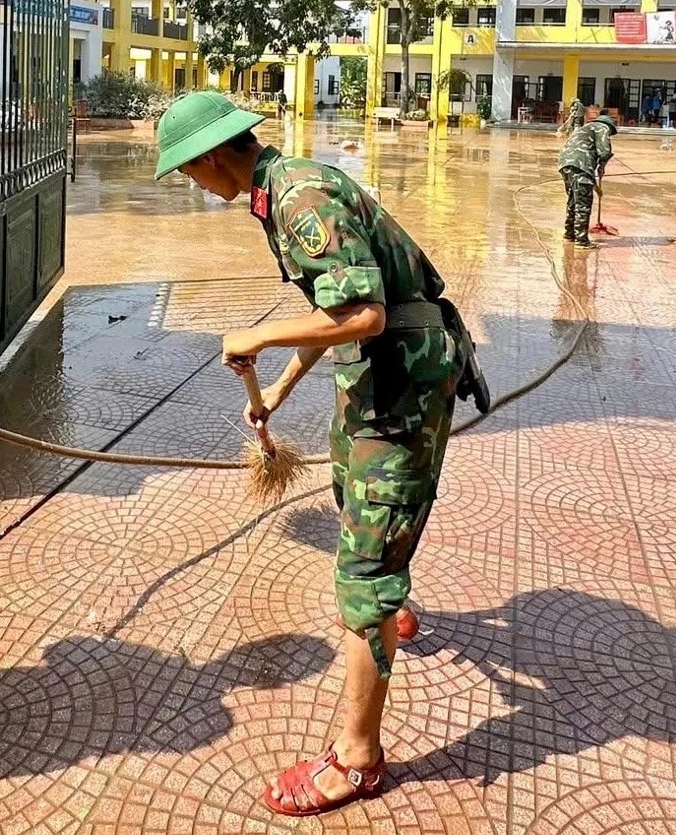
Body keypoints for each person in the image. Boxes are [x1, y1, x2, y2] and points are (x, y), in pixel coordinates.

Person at [151, 91, 486, 817]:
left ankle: (358, 759)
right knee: (354, 494)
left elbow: (363, 313)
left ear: (214, 155)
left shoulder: (298, 199)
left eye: (187, 169)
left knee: (364, 564)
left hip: (401, 379)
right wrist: (275, 388)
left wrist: (256, 335)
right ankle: (390, 601)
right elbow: (335, 311)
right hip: (379, 374)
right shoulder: (282, 190)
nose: (191, 183)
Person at [559, 112, 616, 248]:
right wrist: (602, 165)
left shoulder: (584, 128)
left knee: (574, 200)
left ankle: (569, 234)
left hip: (565, 164)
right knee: (583, 204)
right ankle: (581, 240)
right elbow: (604, 151)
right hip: (581, 164)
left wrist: (596, 188)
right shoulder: (602, 127)